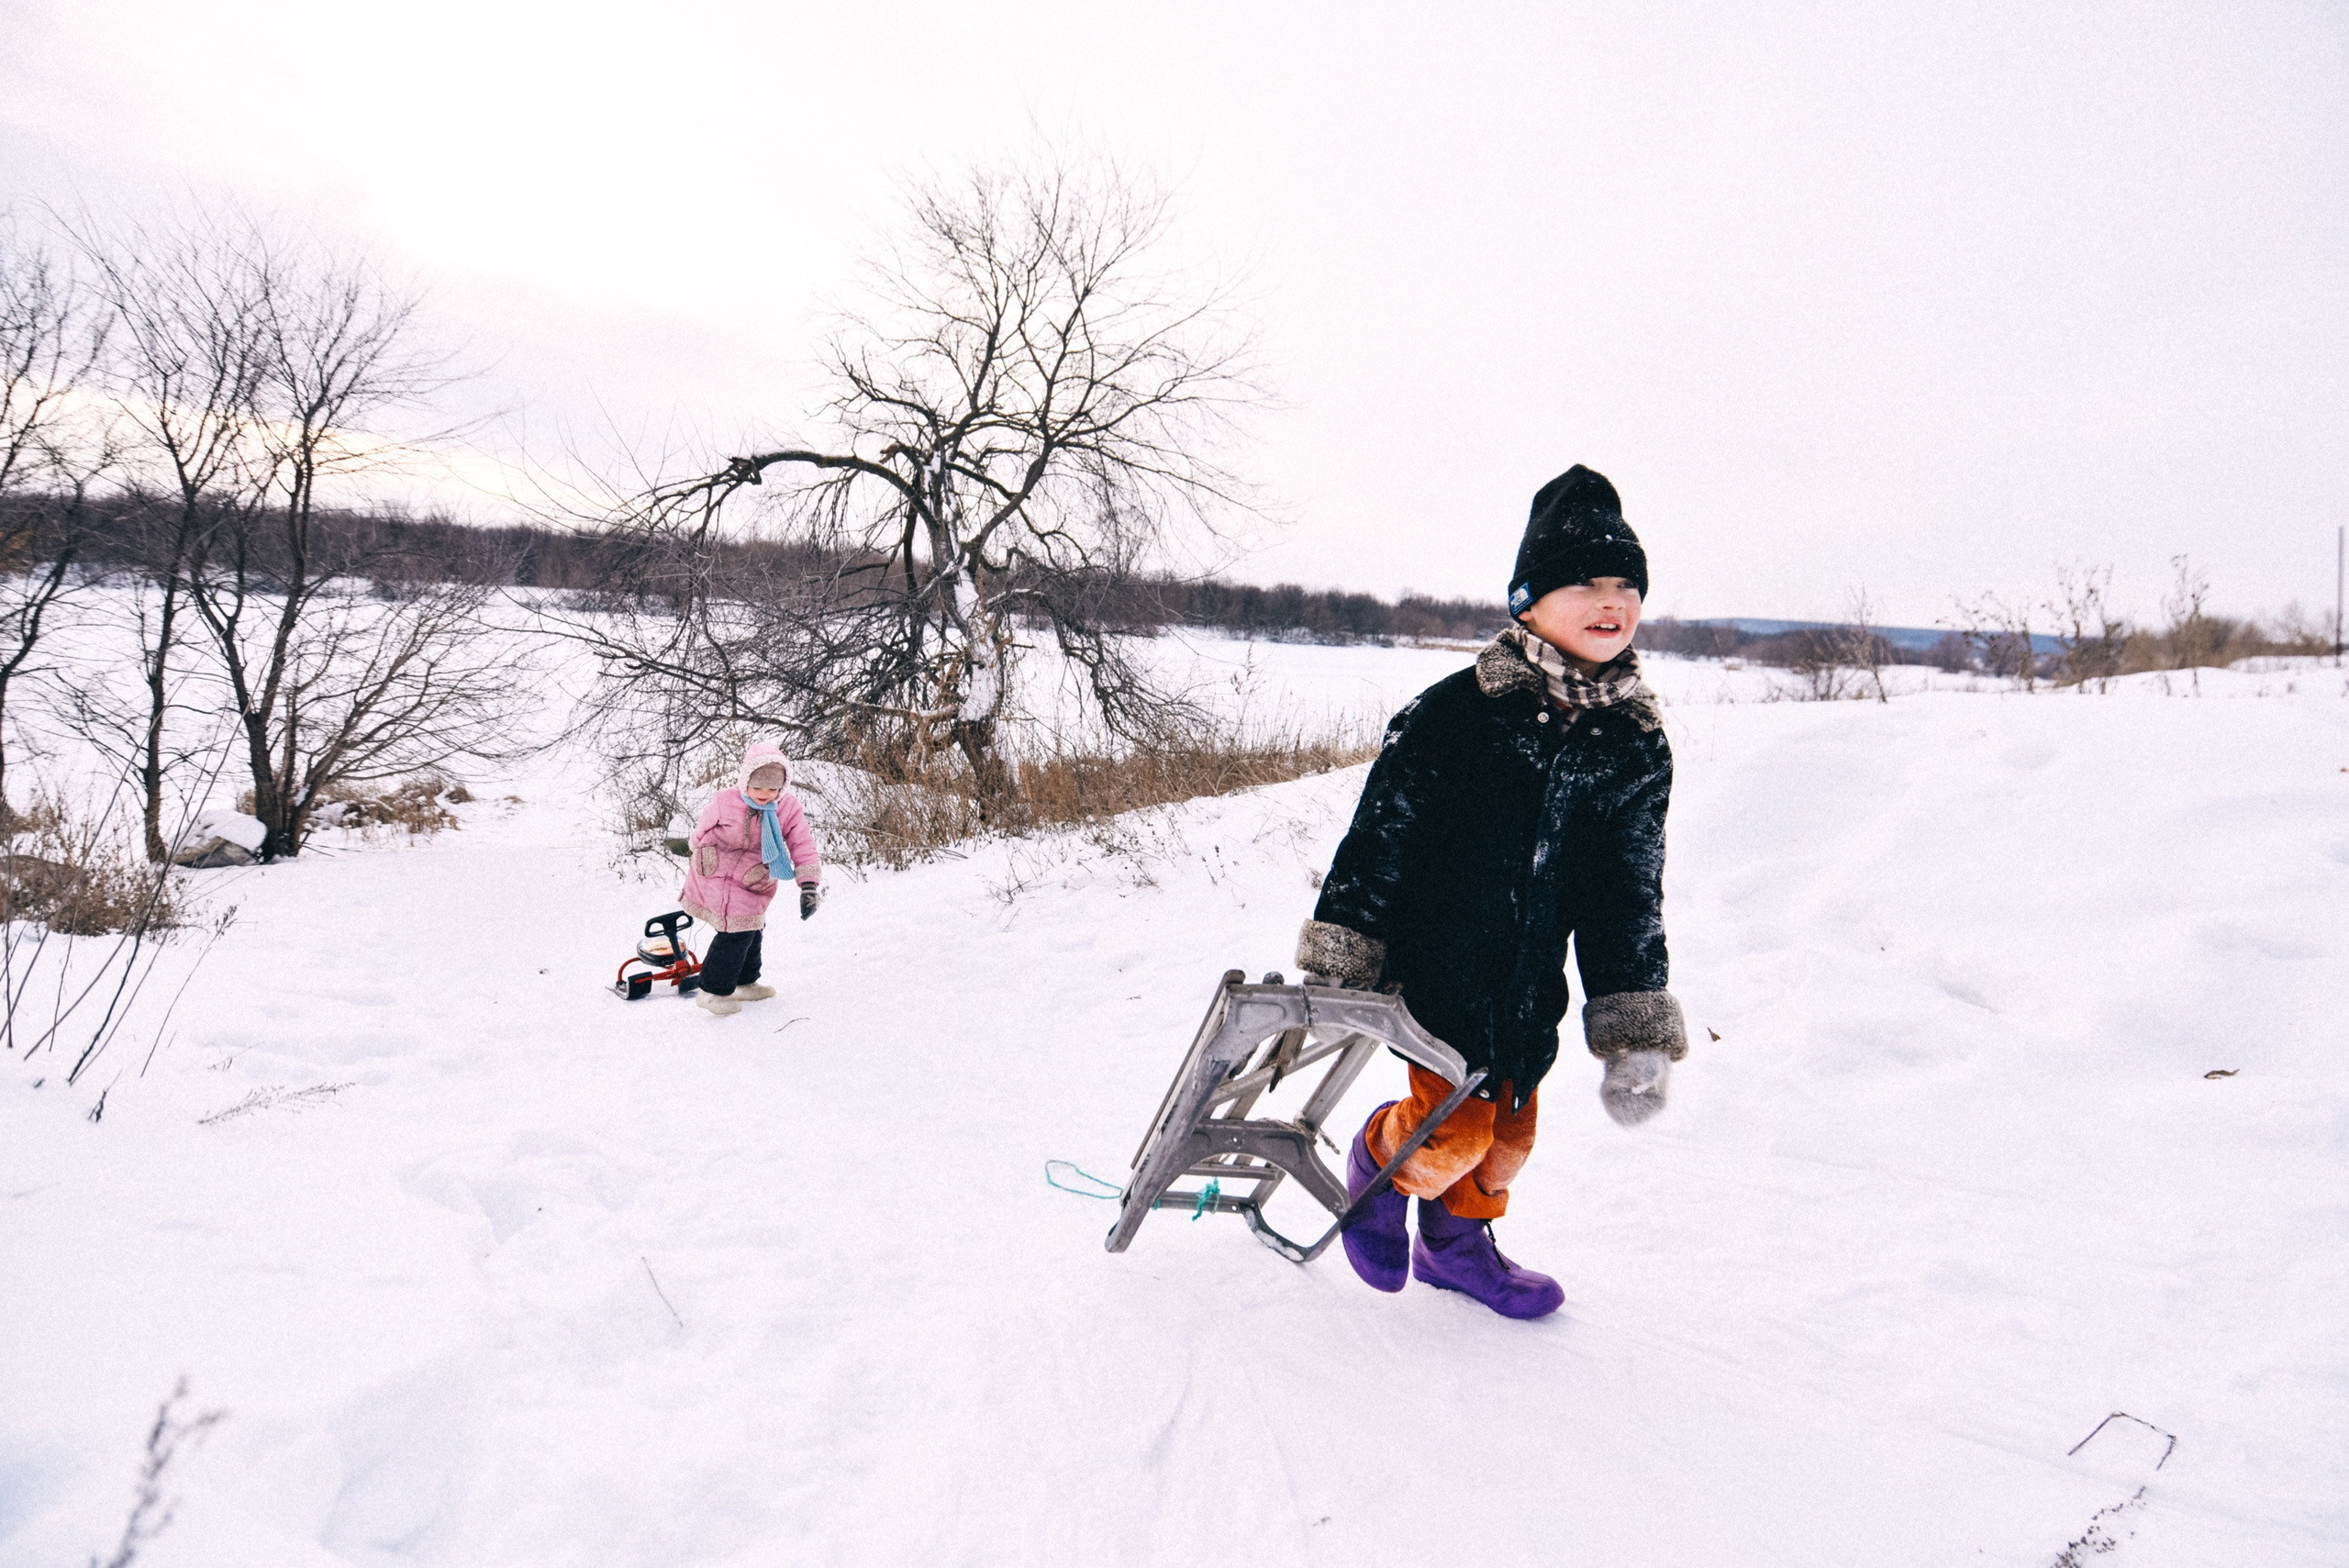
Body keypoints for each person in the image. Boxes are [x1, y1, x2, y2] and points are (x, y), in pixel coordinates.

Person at [1296, 464, 1687, 1320]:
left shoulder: (1633, 746)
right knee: (1454, 1132)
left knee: (1509, 1141)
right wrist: (1345, 946)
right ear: (1528, 600)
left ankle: (1455, 1247)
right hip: (1441, 972)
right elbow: (1382, 830)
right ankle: (1375, 1165)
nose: (1610, 599)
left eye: (1626, 583)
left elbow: (1629, 892)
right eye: (1585, 581)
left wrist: (1632, 1023)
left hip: (1529, 989)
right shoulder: (1460, 712)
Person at [679, 740, 825, 1018]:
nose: (764, 795)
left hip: (754, 876)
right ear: (745, 780)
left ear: (782, 787)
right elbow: (700, 832)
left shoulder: (788, 808)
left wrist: (808, 885)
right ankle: (713, 991)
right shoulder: (725, 800)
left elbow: (802, 843)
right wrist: (701, 853)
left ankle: (745, 982)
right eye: (757, 787)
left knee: (752, 927)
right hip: (718, 869)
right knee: (735, 931)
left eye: (772, 789)